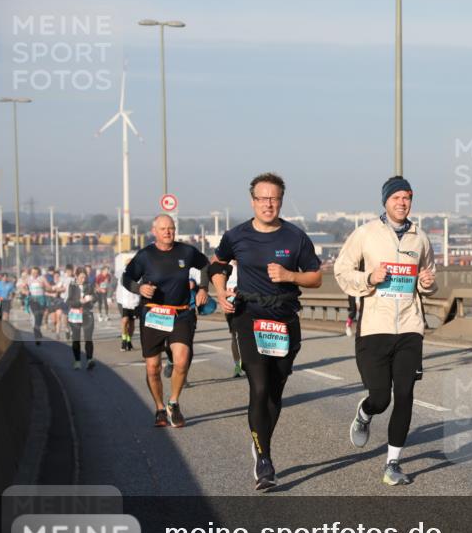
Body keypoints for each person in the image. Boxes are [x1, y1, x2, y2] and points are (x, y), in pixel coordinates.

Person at [211, 172, 322, 491]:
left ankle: (260, 440)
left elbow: (315, 277)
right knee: (258, 386)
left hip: (285, 318)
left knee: (275, 389)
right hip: (249, 316)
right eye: (262, 198)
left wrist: (290, 275)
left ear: (281, 201)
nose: (268, 204)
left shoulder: (295, 237)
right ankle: (264, 459)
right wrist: (221, 291)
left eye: (274, 198)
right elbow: (217, 265)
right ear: (253, 201)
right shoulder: (237, 236)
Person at [334, 176, 437, 486]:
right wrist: (369, 277)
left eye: (406, 198)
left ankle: (393, 463)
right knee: (381, 397)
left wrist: (427, 284)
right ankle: (366, 413)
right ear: (385, 201)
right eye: (396, 198)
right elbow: (342, 270)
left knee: (405, 394)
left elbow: (428, 278)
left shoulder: (420, 238)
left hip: (409, 328)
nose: (402, 203)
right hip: (374, 328)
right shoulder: (366, 234)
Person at [123, 214, 209, 428]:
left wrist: (203, 288)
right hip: (153, 314)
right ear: (154, 231)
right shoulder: (145, 256)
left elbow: (205, 265)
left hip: (180, 313)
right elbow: (127, 277)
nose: (168, 232)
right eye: (163, 229)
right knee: (153, 367)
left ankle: (174, 402)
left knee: (181, 359)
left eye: (171, 228)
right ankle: (160, 408)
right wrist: (139, 288)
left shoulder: (186, 252)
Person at [66, 268, 97, 370]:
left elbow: (96, 296)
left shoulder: (89, 285)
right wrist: (80, 302)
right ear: (76, 276)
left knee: (88, 338)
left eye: (85, 277)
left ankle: (89, 360)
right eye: (81, 277)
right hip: (75, 314)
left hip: (87, 313)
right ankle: (77, 361)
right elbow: (69, 302)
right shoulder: (72, 286)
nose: (83, 279)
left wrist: (92, 298)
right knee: (76, 339)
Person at [116, 255, 140, 351]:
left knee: (132, 322)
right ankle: (124, 340)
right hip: (123, 301)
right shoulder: (122, 273)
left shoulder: (139, 274)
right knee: (125, 320)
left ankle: (129, 340)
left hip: (134, 301)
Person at [224, 261, 242, 377]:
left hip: (246, 304)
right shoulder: (226, 267)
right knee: (234, 336)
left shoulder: (247, 264)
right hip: (230, 304)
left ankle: (252, 362)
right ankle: (237, 365)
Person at [25, 267, 51, 344]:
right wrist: (26, 291)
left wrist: (43, 286)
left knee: (39, 317)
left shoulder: (42, 278)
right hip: (33, 300)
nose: (34, 274)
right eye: (33, 273)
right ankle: (37, 336)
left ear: (38, 273)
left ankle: (38, 331)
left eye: (36, 273)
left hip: (41, 300)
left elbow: (49, 287)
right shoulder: (28, 279)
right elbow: (22, 287)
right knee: (36, 316)